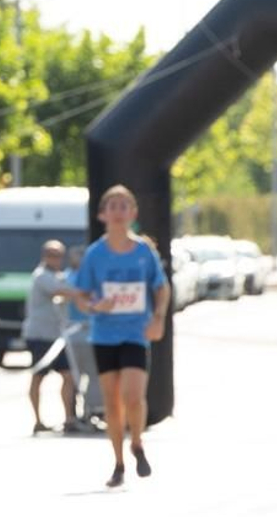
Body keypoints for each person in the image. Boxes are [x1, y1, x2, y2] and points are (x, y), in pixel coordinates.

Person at [69, 185, 170, 488]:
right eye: (112, 205)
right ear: (102, 214)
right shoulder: (95, 254)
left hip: (135, 333)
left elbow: (161, 287)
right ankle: (118, 463)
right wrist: (93, 305)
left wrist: (159, 317)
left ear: (133, 213)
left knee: (134, 396)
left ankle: (136, 442)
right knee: (112, 404)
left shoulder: (143, 252)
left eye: (124, 205)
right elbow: (80, 296)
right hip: (104, 334)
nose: (117, 210)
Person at [22, 240, 76, 435]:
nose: (56, 259)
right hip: (39, 335)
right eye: (52, 255)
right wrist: (87, 295)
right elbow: (62, 291)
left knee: (68, 376)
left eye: (59, 255)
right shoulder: (41, 276)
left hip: (56, 336)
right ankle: (37, 420)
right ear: (45, 256)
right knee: (38, 377)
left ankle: (69, 417)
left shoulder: (58, 276)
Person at [62, 244, 105, 429]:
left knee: (74, 378)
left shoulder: (65, 278)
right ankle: (91, 412)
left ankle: (73, 416)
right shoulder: (89, 280)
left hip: (74, 334)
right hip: (84, 333)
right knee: (92, 376)